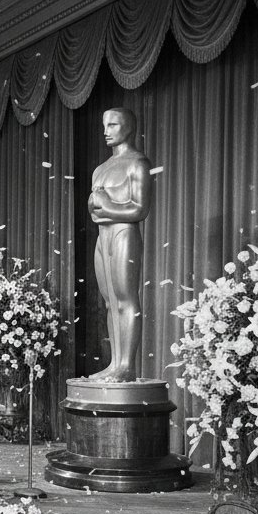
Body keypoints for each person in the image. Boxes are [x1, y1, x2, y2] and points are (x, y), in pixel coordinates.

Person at [86, 107, 153, 382]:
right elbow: (93, 212)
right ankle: (115, 363)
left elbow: (139, 209)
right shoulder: (100, 169)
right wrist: (100, 207)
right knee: (109, 302)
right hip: (102, 237)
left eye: (113, 125)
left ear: (128, 126)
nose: (106, 131)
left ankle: (127, 365)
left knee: (126, 298)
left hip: (124, 233)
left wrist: (107, 204)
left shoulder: (138, 163)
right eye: (105, 125)